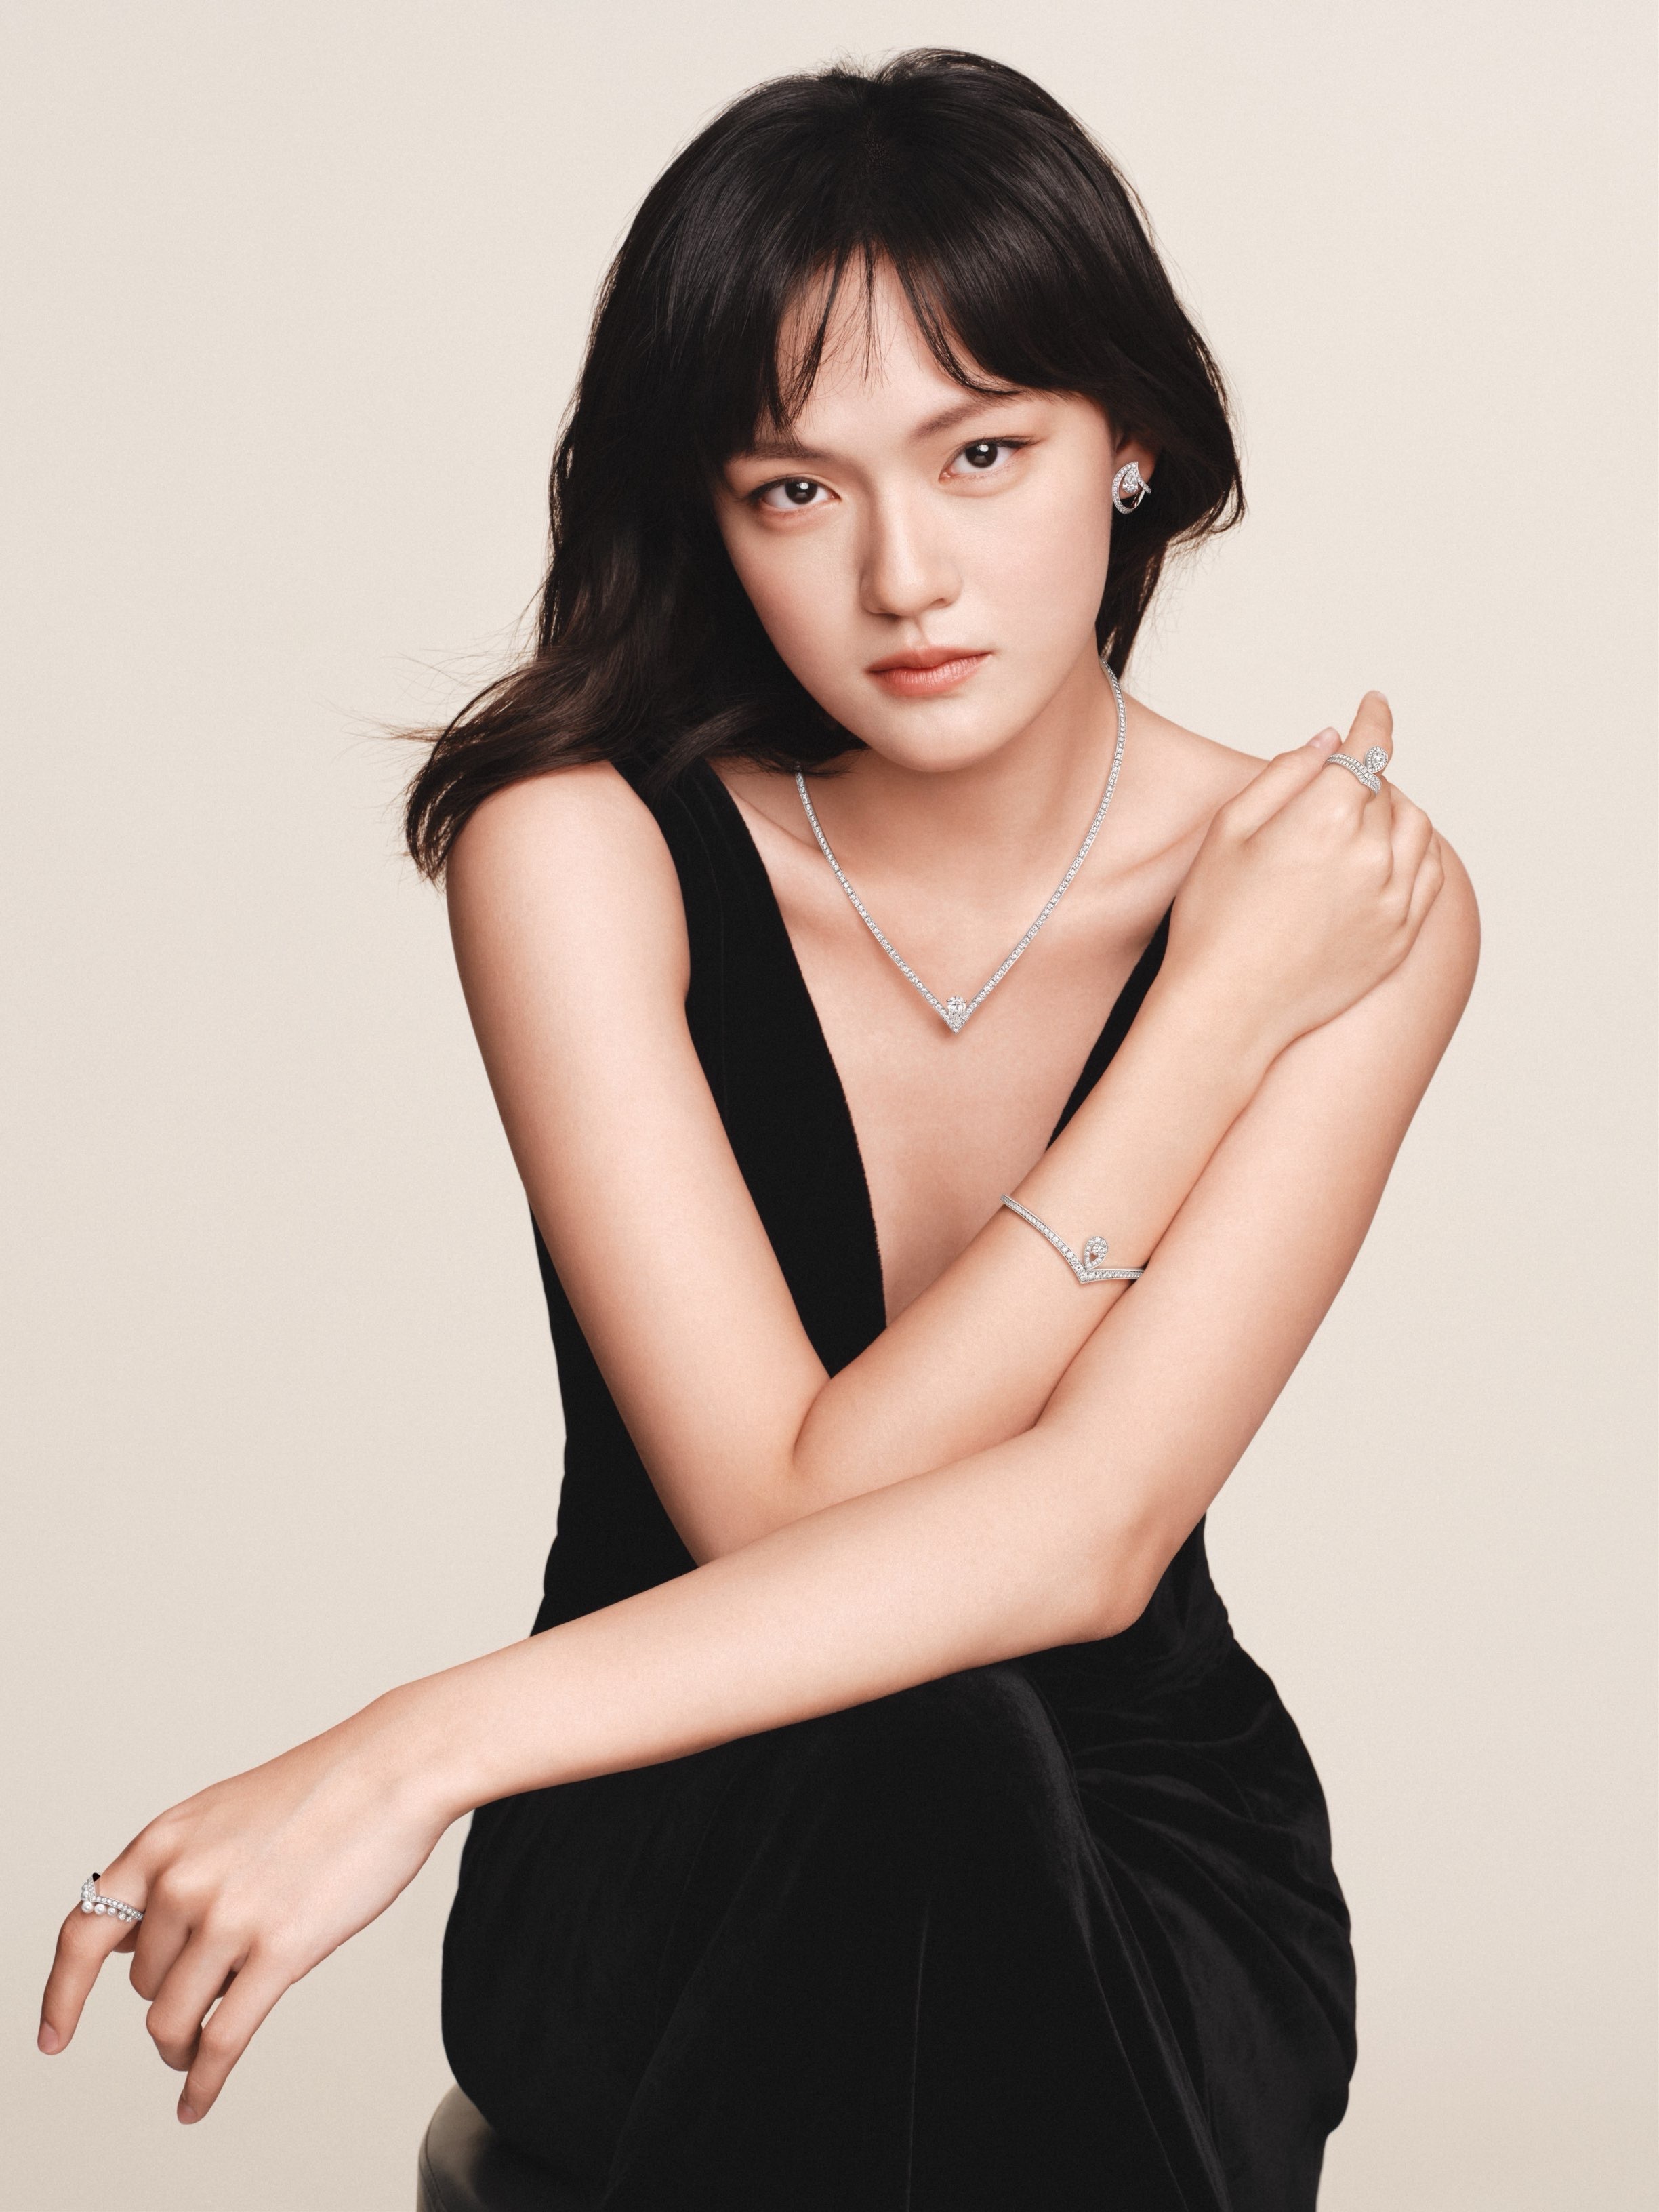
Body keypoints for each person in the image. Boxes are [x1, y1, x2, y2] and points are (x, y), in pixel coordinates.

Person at [40, 49, 1478, 2211]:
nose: (906, 574)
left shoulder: (1346, 904)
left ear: (1130, 441)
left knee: (968, 1775)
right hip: (669, 1814)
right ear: (707, 515)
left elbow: (1090, 1539)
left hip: (1138, 1852)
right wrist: (1211, 1034)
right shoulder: (578, 846)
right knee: (912, 1763)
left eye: (983, 453)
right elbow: (768, 1510)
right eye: (796, 490)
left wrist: (405, 1752)